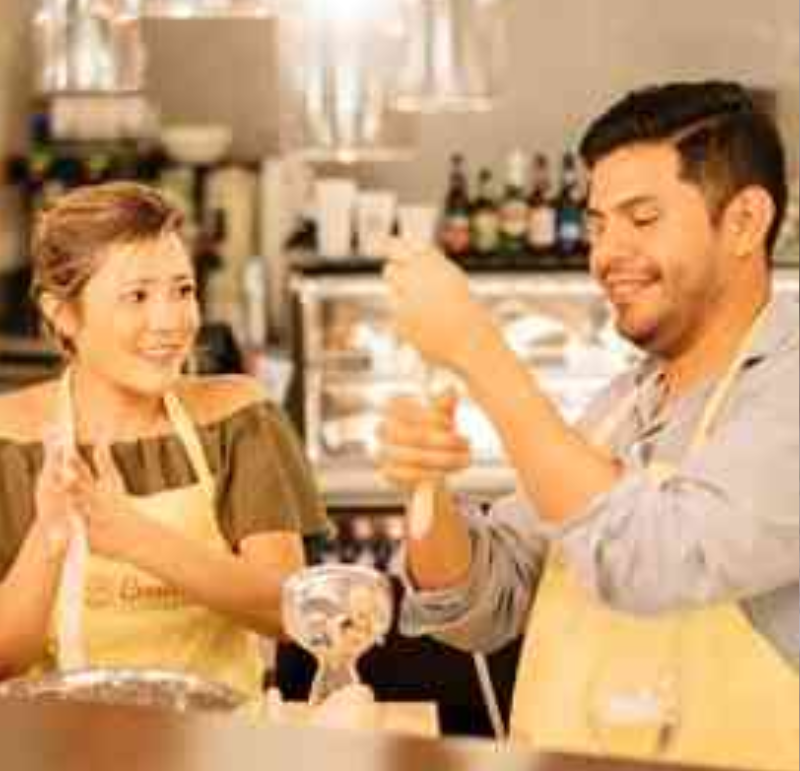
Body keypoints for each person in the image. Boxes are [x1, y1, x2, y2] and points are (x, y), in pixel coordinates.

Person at [380, 81, 798, 768]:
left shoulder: (787, 389)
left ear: (745, 222)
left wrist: (479, 352)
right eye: (599, 225)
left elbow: (653, 557)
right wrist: (425, 489)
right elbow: (484, 599)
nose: (605, 254)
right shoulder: (618, 407)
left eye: (642, 218)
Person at [0, 182, 328, 701]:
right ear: (62, 312)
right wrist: (49, 536)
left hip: (221, 737)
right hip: (59, 739)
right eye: (137, 296)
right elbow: (4, 661)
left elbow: (289, 613)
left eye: (183, 290)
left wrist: (137, 540)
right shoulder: (11, 442)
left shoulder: (238, 418)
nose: (171, 321)